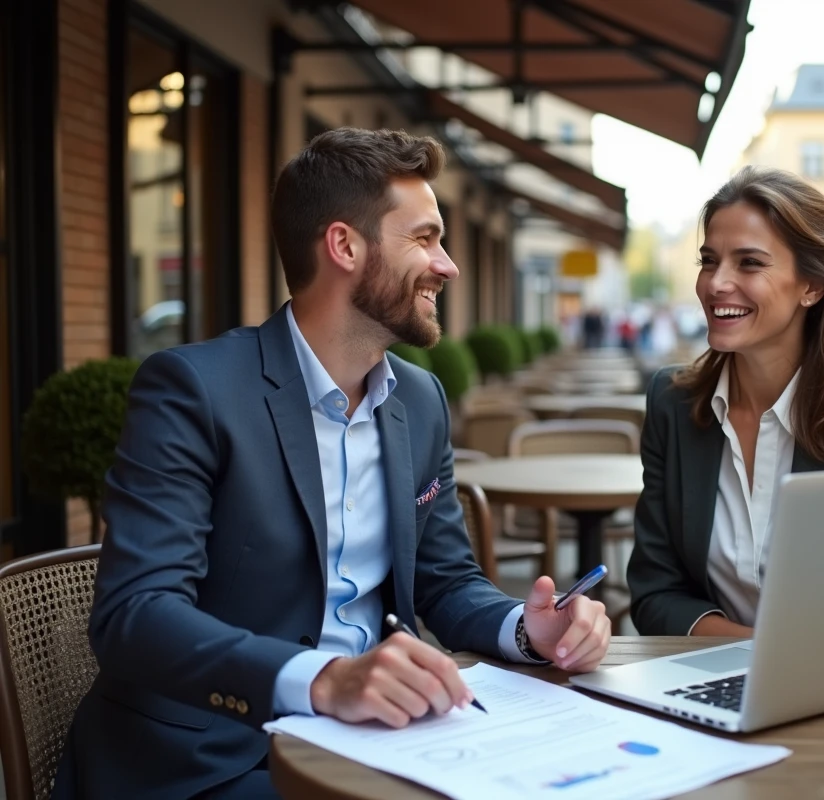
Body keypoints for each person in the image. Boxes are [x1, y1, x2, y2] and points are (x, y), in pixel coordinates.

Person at [52, 128, 611, 800]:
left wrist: (525, 628)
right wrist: (321, 679)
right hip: (204, 762)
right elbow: (134, 614)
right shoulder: (193, 390)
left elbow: (445, 580)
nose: (448, 266)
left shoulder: (421, 399)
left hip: (372, 743)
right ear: (345, 246)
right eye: (426, 238)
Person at [626, 166, 824, 638]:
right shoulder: (673, 403)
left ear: (812, 286)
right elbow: (654, 593)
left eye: (749, 263)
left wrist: (776, 664)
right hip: (701, 685)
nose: (715, 284)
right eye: (709, 261)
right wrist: (762, 654)